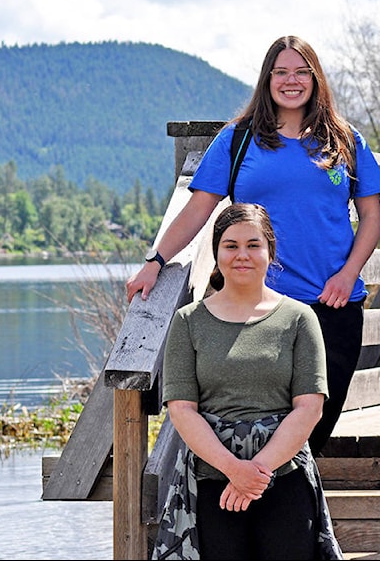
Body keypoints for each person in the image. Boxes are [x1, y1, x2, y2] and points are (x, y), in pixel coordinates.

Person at [127, 35, 380, 456]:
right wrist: (156, 260)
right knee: (259, 427)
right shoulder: (238, 140)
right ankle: (258, 496)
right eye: (281, 72)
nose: (292, 81)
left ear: (316, 78)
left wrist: (348, 275)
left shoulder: (344, 139)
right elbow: (198, 210)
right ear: (267, 79)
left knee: (313, 427)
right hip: (257, 311)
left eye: (302, 72)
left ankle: (282, 504)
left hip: (333, 305)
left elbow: (372, 218)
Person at [151, 203, 342, 560]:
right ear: (217, 253)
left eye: (253, 245)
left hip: (285, 477)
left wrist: (257, 472)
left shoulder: (300, 319)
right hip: (212, 481)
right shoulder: (188, 322)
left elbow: (309, 408)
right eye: (231, 245)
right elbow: (182, 410)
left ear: (270, 251)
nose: (243, 255)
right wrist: (233, 470)